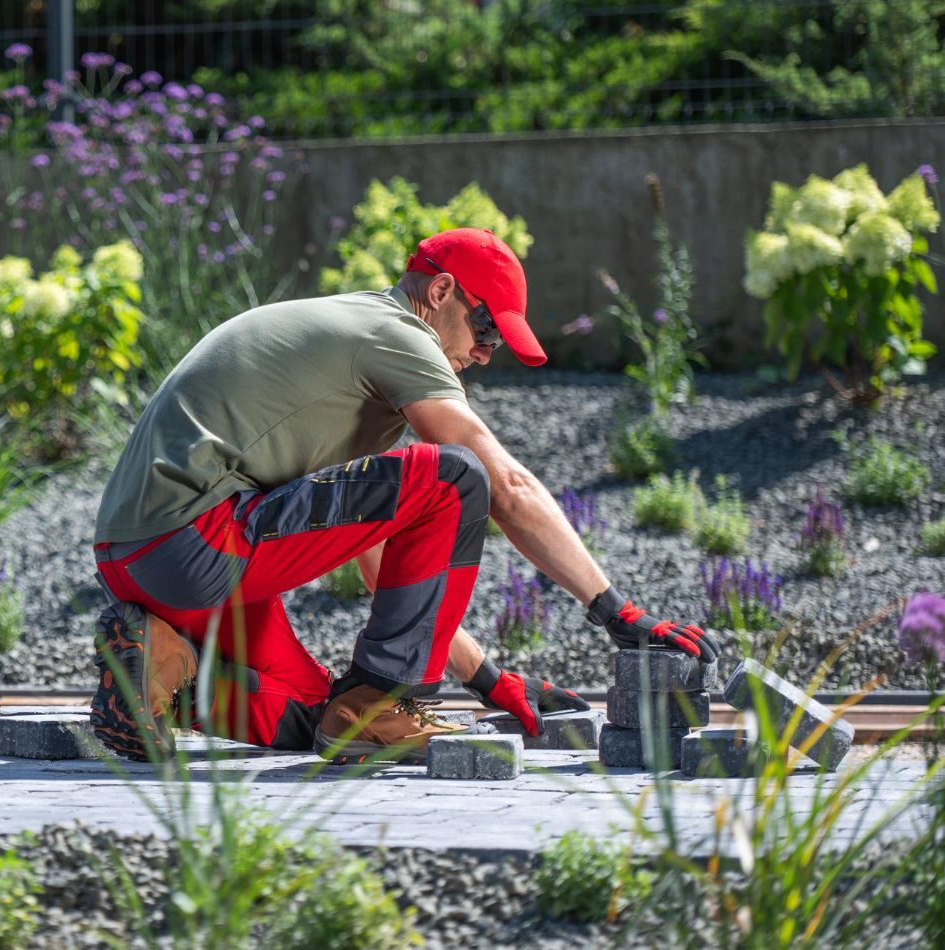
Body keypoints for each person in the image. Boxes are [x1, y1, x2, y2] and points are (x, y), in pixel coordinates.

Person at [89, 227, 719, 762]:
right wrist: (617, 613)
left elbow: (378, 553)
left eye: (495, 342)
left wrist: (489, 681)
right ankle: (381, 702)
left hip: (141, 562)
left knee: (328, 721)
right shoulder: (396, 335)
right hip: (200, 543)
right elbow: (506, 484)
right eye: (485, 329)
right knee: (456, 474)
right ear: (441, 291)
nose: (483, 352)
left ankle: (158, 671)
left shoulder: (347, 350)